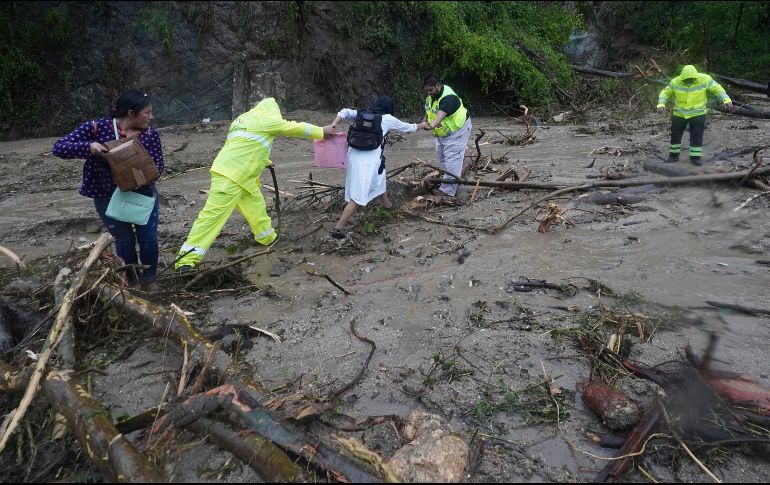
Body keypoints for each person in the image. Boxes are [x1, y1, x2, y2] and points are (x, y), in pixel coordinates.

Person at [175, 97, 335, 271]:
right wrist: (321, 131)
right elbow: (292, 127)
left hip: (240, 175)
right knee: (211, 218)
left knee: (256, 207)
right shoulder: (265, 119)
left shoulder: (242, 119)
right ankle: (185, 260)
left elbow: (247, 146)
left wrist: (265, 161)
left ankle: (267, 238)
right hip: (232, 176)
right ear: (273, 111)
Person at [53, 90, 163, 288]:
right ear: (131, 113)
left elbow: (158, 166)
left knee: (148, 239)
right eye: (147, 113)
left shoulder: (150, 134)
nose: (151, 117)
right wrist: (90, 147)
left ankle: (149, 279)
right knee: (125, 240)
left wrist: (141, 175)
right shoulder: (97, 128)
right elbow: (59, 147)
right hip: (107, 195)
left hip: (142, 194)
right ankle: (131, 281)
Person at [328, 96, 428, 239]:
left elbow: (344, 111)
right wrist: (422, 125)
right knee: (358, 195)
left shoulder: (362, 113)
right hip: (368, 160)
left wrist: (333, 125)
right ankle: (338, 228)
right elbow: (409, 128)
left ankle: (387, 205)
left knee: (380, 177)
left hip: (353, 156)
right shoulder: (387, 118)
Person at [657, 64, 733, 165]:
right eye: (686, 79)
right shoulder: (675, 81)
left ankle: (695, 158)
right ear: (682, 77)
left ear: (695, 76)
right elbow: (665, 93)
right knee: (675, 135)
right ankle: (673, 157)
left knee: (696, 135)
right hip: (679, 113)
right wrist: (661, 104)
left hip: (698, 113)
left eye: (691, 79)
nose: (688, 81)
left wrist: (726, 100)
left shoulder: (705, 79)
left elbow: (718, 89)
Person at [421, 75, 472, 196]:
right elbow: (429, 110)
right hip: (443, 132)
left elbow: (440, 115)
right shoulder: (431, 96)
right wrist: (424, 121)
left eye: (430, 90)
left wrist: (431, 125)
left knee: (452, 160)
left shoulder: (448, 98)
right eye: (426, 91)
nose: (428, 93)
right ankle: (447, 181)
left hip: (457, 131)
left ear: (438, 85)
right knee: (441, 158)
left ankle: (448, 191)